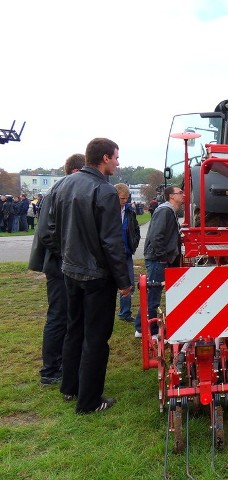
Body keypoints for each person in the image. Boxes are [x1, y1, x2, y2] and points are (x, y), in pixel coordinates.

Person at [47, 138, 132, 414]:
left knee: (75, 330)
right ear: (105, 157)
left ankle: (70, 388)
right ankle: (90, 401)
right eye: (116, 157)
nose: (118, 163)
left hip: (70, 271)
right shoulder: (104, 191)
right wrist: (123, 282)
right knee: (96, 338)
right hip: (95, 276)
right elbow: (111, 242)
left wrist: (66, 260)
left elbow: (54, 232)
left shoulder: (63, 184)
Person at [28, 154, 85, 386]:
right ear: (75, 172)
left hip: (62, 263)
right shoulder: (59, 191)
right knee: (58, 316)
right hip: (58, 265)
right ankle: (50, 370)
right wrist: (69, 255)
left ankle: (62, 363)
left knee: (66, 315)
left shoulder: (60, 190)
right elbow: (47, 233)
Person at [134, 185, 184, 338]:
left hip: (160, 259)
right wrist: (163, 257)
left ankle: (140, 327)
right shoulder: (165, 211)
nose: (183, 195)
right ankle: (147, 330)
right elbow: (157, 237)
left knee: (152, 294)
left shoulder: (170, 211)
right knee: (153, 296)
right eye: (180, 193)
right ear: (171, 196)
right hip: (158, 260)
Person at [114, 184, 141, 323]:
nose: (124, 201)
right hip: (111, 254)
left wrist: (134, 243)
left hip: (126, 253)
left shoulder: (130, 212)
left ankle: (125, 313)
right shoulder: (107, 211)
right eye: (122, 198)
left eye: (126, 198)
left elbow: (136, 229)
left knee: (128, 283)